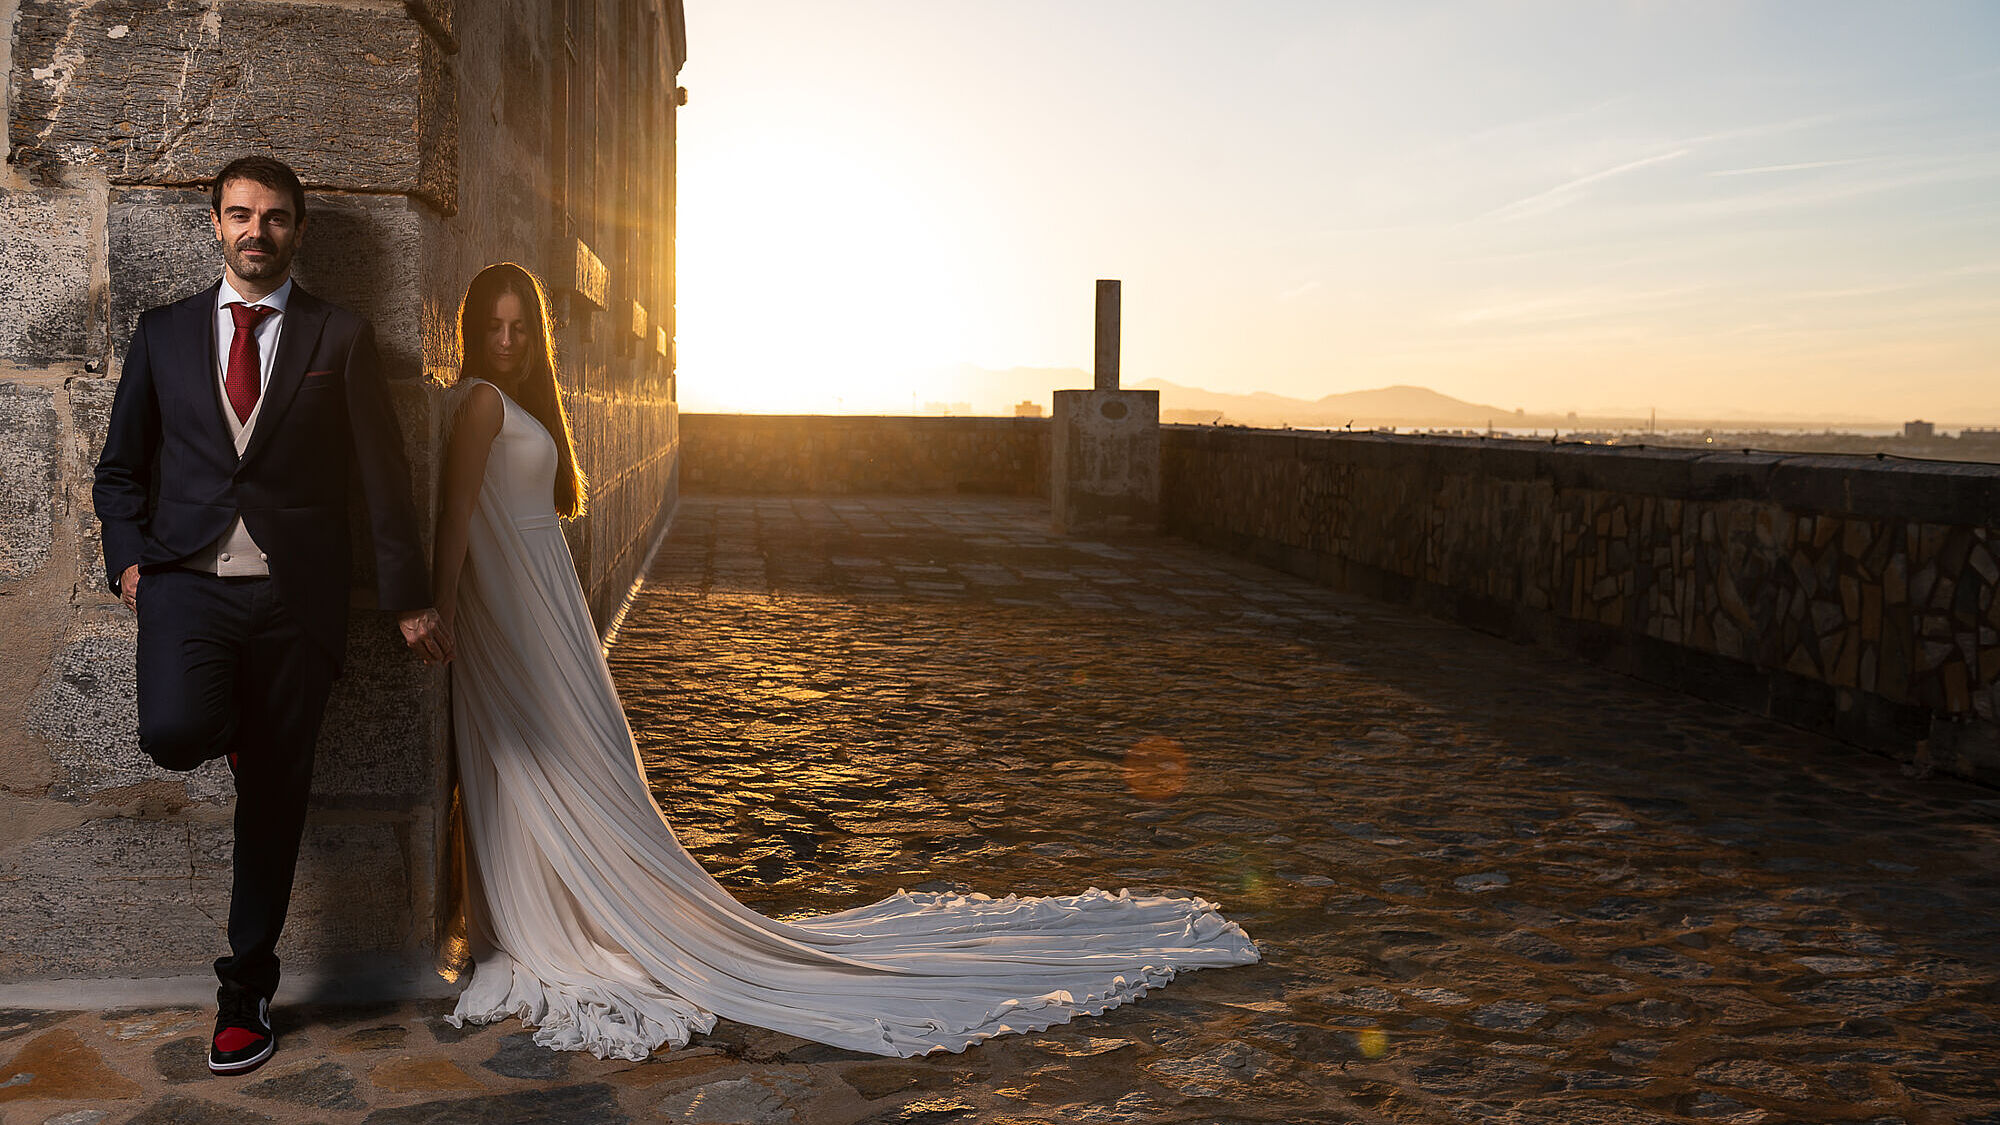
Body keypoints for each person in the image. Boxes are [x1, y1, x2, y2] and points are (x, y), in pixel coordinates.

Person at [432, 263, 1258, 1061]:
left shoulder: (520, 403)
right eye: (493, 327)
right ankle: (552, 915)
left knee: (593, 766)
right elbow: (458, 516)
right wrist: (439, 607)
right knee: (541, 765)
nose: (507, 341)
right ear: (474, 331)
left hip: (551, 609)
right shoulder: (477, 402)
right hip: (513, 612)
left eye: (520, 328)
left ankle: (596, 905)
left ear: (536, 335)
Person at [92, 155, 448, 1076]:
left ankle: (243, 991)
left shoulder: (341, 336)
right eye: (241, 214)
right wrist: (129, 560)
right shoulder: (164, 333)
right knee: (173, 730)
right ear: (215, 223)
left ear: (298, 230)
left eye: (277, 217)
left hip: (296, 604)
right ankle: (241, 732)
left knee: (276, 803)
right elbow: (120, 466)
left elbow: (382, 480)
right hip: (187, 587)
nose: (258, 231)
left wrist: (408, 598)